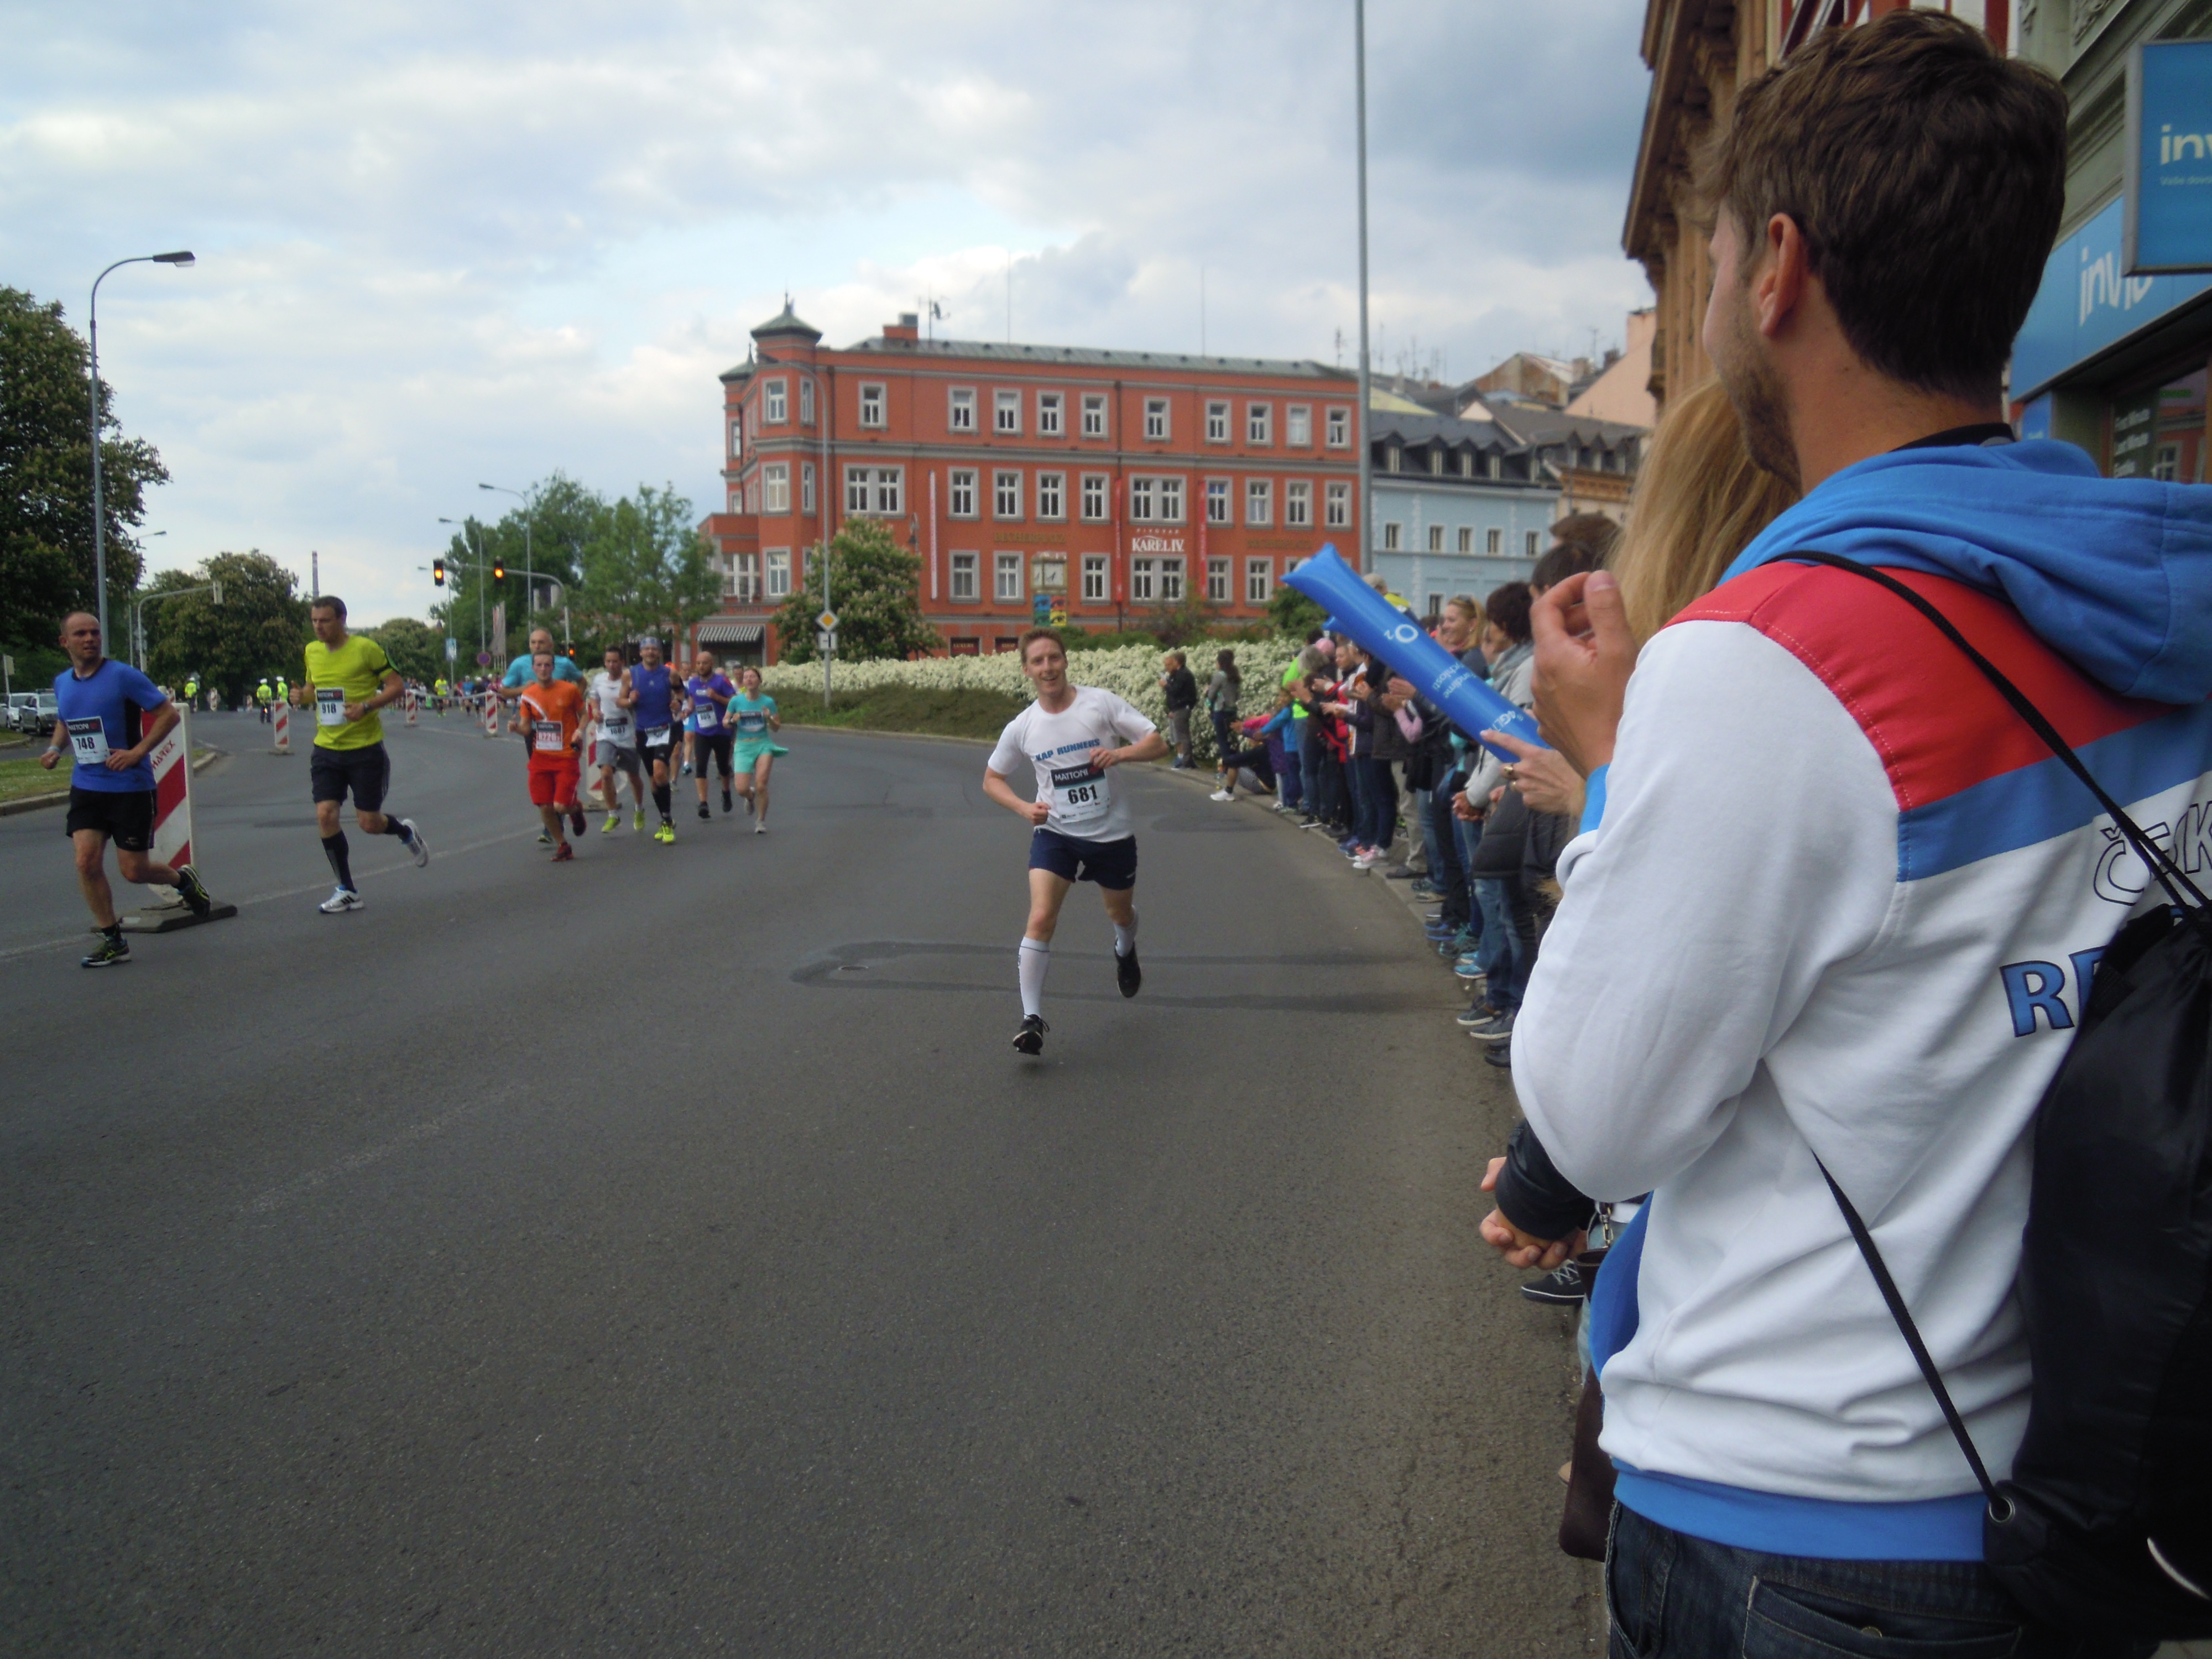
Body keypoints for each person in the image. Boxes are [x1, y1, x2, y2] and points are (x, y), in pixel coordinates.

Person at [1499, 17, 2211, 1652]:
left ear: (1776, 271)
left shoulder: (1771, 657)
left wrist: (1607, 771)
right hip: (2083, 1497)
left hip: (1805, 1519)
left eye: (1714, 261)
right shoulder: (2156, 596)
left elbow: (1599, 1118)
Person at [983, 628, 1168, 1055]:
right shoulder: (1023, 726)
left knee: (1119, 912)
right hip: (1057, 833)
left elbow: (1157, 742)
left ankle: (1125, 948)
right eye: (1038, 661)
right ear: (1027, 670)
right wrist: (1023, 808)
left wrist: (1119, 754)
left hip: (1111, 834)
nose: (1047, 667)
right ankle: (1032, 1019)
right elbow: (992, 779)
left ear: (1065, 661)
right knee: (1040, 917)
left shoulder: (1099, 704)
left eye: (1054, 658)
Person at [40, 612, 215, 966]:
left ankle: (183, 881)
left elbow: (168, 715)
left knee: (134, 871)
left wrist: (137, 752)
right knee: (86, 862)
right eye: (80, 634)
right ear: (65, 642)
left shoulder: (123, 676)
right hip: (87, 785)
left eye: (95, 633)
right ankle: (113, 940)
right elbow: (65, 720)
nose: (90, 639)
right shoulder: (62, 682)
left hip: (130, 786)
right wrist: (55, 749)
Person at [294, 596, 428, 914]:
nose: (318, 627)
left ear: (342, 620)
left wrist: (366, 706)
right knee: (325, 815)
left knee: (369, 822)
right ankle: (347, 889)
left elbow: (396, 686)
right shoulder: (312, 651)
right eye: (314, 621)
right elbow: (314, 689)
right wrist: (301, 696)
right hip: (327, 748)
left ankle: (405, 831)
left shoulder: (366, 649)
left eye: (325, 621)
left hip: (365, 749)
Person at [511, 649, 588, 862]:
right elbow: (527, 728)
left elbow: (584, 715)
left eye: (547, 665)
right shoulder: (528, 695)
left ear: (553, 668)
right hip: (541, 757)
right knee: (544, 806)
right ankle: (563, 845)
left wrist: (579, 732)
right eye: (539, 665)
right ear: (533, 668)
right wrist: (516, 729)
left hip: (566, 755)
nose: (543, 669)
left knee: (560, 807)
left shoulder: (569, 690)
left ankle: (575, 810)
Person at [628, 637, 687, 843]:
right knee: (654, 780)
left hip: (666, 728)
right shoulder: (631, 674)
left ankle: (667, 821)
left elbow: (681, 692)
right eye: (647, 649)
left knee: (660, 771)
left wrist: (678, 702)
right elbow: (620, 700)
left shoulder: (670, 673)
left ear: (660, 653)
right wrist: (629, 700)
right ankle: (665, 818)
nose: (651, 652)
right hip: (643, 731)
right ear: (641, 652)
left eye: (654, 649)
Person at [587, 644, 647, 833]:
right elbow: (594, 698)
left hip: (628, 734)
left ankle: (639, 809)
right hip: (606, 734)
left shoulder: (631, 680)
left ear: (622, 662)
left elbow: (640, 703)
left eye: (615, 661)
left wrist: (633, 701)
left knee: (633, 776)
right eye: (608, 661)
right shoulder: (599, 680)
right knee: (606, 774)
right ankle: (613, 815)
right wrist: (595, 711)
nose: (612, 665)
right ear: (605, 663)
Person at [726, 665, 786, 834]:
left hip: (763, 744)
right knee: (741, 788)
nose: (749, 680)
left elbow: (777, 727)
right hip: (743, 745)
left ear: (760, 681)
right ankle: (750, 796)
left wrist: (769, 718)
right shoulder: (736, 701)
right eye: (746, 677)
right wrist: (733, 720)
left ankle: (760, 821)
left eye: (753, 677)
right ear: (743, 681)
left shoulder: (768, 702)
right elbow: (725, 722)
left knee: (761, 785)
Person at [685, 651, 738, 819]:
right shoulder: (693, 683)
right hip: (702, 731)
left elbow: (734, 701)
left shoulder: (721, 681)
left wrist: (716, 697)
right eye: (698, 663)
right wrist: (688, 710)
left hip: (721, 731)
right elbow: (692, 699)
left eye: (704, 663)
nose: (701, 666)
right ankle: (703, 803)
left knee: (723, 767)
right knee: (701, 766)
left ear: (711, 664)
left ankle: (726, 792)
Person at [1204, 649, 1241, 794]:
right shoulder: (1235, 675)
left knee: (1222, 741)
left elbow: (1212, 695)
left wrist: (1207, 695)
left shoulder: (1220, 676)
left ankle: (1226, 768)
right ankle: (1232, 767)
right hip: (1232, 710)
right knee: (1232, 741)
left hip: (1221, 710)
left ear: (1220, 662)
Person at [1159, 651, 1198, 768]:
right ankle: (1187, 760)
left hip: (1182, 708)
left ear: (1176, 661)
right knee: (1182, 735)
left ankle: (1186, 761)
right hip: (1179, 708)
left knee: (1183, 736)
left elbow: (1175, 691)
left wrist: (1165, 686)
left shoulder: (1183, 674)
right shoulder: (1180, 674)